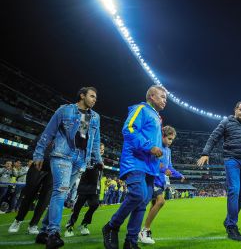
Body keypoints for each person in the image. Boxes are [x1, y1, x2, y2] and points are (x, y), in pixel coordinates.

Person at [33, 86, 103, 248]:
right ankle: (53, 233)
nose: (94, 99)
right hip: (62, 155)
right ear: (82, 95)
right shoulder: (64, 111)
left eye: (95, 98)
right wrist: (38, 154)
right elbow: (48, 132)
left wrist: (97, 159)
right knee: (61, 190)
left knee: (62, 194)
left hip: (80, 159)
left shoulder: (95, 117)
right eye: (92, 96)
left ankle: (43, 232)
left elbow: (95, 140)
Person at [197, 91, 241, 242]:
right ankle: (231, 226)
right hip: (231, 160)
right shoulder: (225, 122)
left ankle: (228, 220)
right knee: (234, 190)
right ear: (235, 110)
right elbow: (213, 137)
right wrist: (205, 153)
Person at [103, 85, 167, 249]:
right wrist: (149, 146)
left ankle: (130, 241)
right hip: (135, 161)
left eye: (165, 98)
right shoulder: (141, 109)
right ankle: (111, 226)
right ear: (151, 96)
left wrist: (157, 156)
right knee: (138, 195)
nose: (165, 100)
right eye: (162, 96)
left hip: (150, 165)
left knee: (142, 201)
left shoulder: (157, 117)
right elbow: (129, 128)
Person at [138, 125, 185, 244]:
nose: (170, 142)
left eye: (172, 140)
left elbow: (169, 167)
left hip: (161, 182)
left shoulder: (168, 150)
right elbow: (154, 163)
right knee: (161, 201)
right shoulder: (156, 146)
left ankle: (144, 230)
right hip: (152, 179)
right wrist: (164, 170)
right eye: (169, 138)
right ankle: (145, 230)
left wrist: (179, 175)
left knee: (153, 205)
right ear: (162, 136)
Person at [65, 143, 105, 237]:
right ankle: (70, 226)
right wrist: (96, 165)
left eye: (103, 149)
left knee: (95, 205)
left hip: (94, 188)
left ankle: (84, 224)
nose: (102, 150)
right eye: (100, 148)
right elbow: (87, 168)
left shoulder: (101, 160)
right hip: (84, 185)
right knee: (77, 207)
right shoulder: (88, 157)